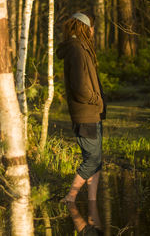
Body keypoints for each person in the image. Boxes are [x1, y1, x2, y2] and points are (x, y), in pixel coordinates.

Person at [57, 12, 106, 202]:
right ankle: (70, 197)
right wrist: (96, 99)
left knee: (97, 160)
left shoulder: (81, 47)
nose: (93, 31)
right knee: (92, 159)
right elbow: (79, 87)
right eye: (91, 27)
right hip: (85, 113)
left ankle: (92, 202)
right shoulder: (76, 49)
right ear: (84, 27)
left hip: (92, 113)